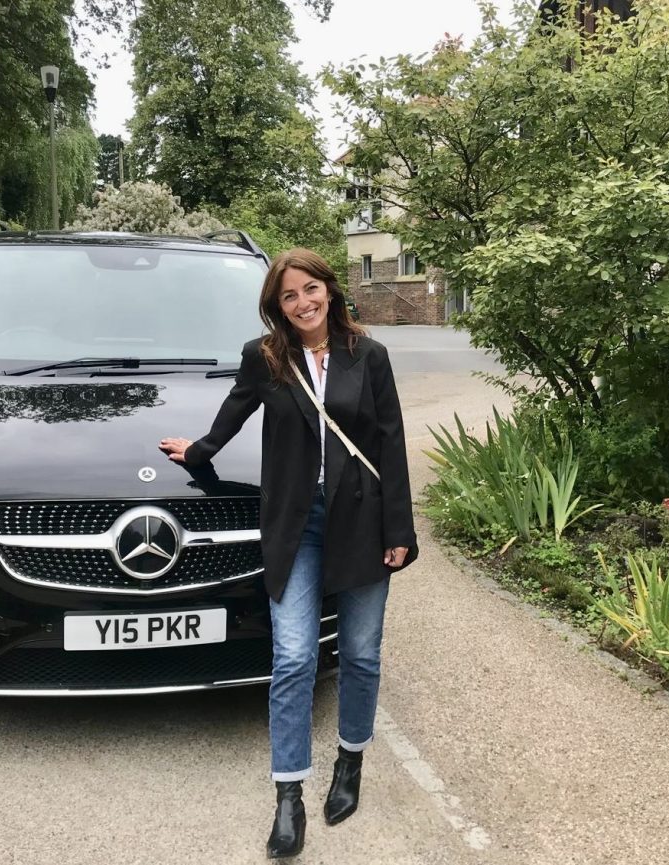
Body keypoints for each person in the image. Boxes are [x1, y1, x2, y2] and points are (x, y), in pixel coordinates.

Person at [160, 248, 418, 859]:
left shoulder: (368, 355)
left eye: (311, 290)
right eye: (289, 296)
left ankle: (350, 762)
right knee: (296, 656)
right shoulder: (266, 358)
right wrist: (198, 451)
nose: (303, 303)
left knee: (359, 653)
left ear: (330, 289)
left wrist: (398, 530)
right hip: (294, 524)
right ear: (277, 306)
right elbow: (236, 409)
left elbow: (391, 442)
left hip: (361, 520)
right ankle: (288, 794)